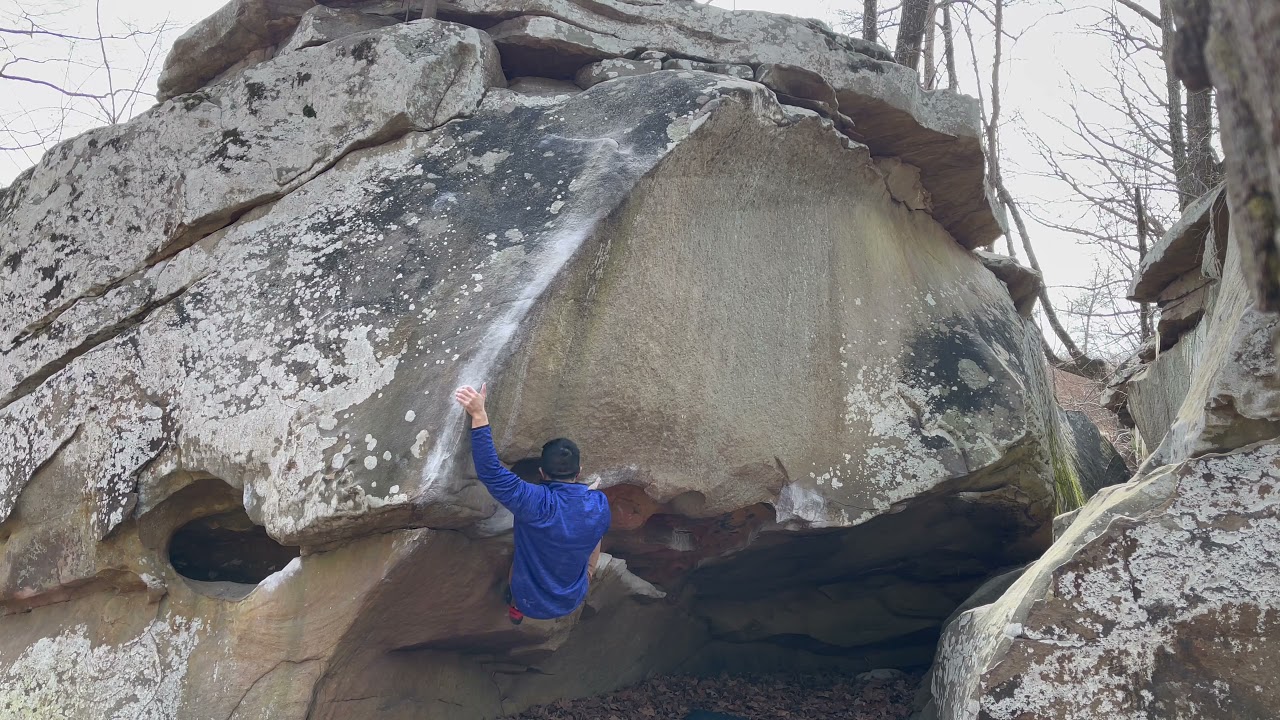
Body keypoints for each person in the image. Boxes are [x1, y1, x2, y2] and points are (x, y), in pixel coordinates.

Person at [454, 383, 611, 625]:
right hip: (572, 597)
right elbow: (584, 510)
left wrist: (479, 414)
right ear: (579, 472)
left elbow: (491, 472)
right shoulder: (599, 503)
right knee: (594, 525)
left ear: (541, 473)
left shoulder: (535, 502)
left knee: (525, 555)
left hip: (528, 598)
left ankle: (516, 607)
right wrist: (585, 497)